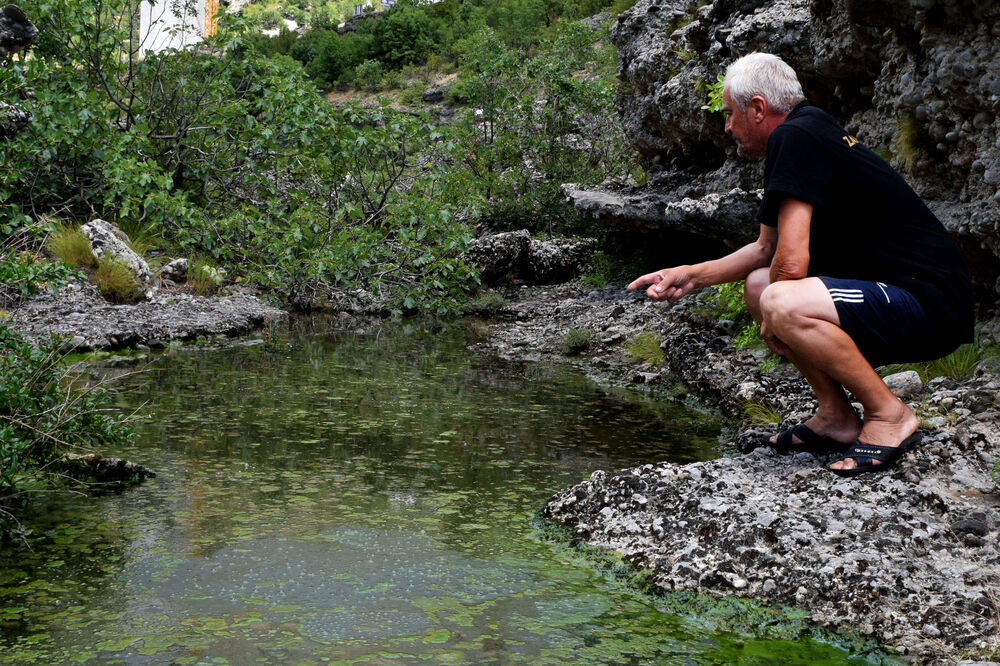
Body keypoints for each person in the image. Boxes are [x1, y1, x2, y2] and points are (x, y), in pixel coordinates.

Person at [627, 52, 974, 476]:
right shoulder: (807, 131)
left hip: (928, 303)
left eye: (729, 113)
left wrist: (775, 315)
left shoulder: (796, 137)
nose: (726, 126)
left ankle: (889, 414)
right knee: (760, 286)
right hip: (907, 297)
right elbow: (765, 250)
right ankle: (836, 417)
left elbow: (791, 265)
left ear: (757, 108)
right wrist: (689, 275)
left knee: (781, 299)